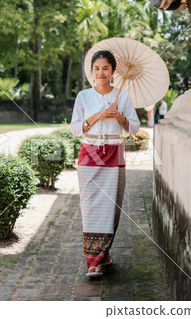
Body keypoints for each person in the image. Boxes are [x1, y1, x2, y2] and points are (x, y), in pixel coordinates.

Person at [70, 50, 140, 277]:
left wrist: (119, 117)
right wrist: (99, 115)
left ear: (113, 71)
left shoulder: (124, 95)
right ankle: (93, 262)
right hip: (89, 154)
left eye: (105, 68)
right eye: (96, 68)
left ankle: (104, 253)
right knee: (91, 209)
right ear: (91, 71)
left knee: (112, 208)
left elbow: (135, 128)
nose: (100, 72)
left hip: (114, 154)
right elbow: (74, 129)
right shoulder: (83, 96)